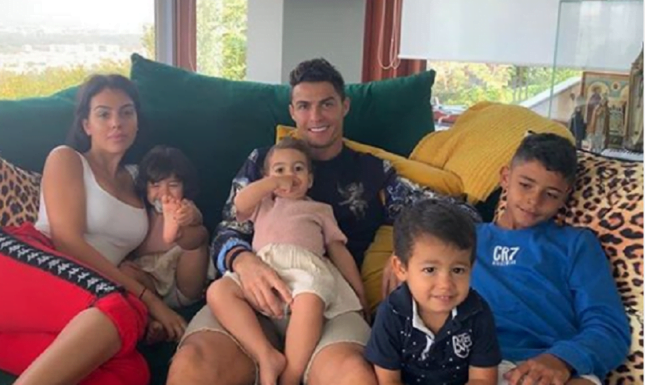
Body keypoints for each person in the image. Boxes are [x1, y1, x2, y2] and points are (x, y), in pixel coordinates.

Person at [167, 58, 479, 385]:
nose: (315, 117)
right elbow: (230, 223)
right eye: (304, 106)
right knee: (192, 365)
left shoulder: (373, 170)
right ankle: (266, 356)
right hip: (253, 293)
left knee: (354, 378)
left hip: (329, 303)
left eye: (326, 104)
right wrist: (243, 261)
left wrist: (405, 248)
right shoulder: (264, 162)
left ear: (345, 106)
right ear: (292, 111)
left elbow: (457, 214)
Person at [0, 74, 187, 385]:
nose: (116, 122)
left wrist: (186, 219)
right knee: (120, 309)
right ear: (86, 125)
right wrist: (149, 300)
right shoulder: (67, 159)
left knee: (131, 373)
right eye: (103, 114)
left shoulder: (140, 180)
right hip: (12, 272)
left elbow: (154, 243)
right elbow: (67, 241)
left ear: (137, 123)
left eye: (126, 112)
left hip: (43, 319)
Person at [471, 133, 630, 385]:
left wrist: (562, 359)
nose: (534, 201)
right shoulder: (465, 239)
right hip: (473, 363)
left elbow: (609, 326)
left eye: (551, 194)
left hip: (553, 364)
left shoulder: (576, 244)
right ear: (505, 177)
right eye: (526, 185)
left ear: (566, 195)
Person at [207, 137, 367, 385]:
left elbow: (338, 250)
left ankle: (291, 376)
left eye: (298, 169)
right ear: (265, 178)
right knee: (218, 291)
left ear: (310, 180)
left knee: (311, 302)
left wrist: (360, 293)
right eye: (279, 169)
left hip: (306, 272)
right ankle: (265, 354)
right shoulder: (262, 204)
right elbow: (239, 203)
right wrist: (270, 183)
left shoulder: (320, 210)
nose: (289, 175)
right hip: (265, 270)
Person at [366, 199, 501, 385]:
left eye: (458, 270)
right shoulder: (392, 314)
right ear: (401, 268)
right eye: (430, 270)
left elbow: (482, 379)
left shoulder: (478, 313)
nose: (445, 284)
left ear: (471, 267)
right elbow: (389, 381)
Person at [122, 146, 210, 320]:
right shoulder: (141, 213)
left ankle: (177, 233)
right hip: (150, 284)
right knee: (125, 271)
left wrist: (190, 217)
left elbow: (196, 217)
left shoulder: (184, 207)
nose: (164, 193)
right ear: (145, 188)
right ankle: (153, 320)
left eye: (173, 185)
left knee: (199, 234)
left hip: (183, 281)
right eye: (156, 185)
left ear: (184, 187)